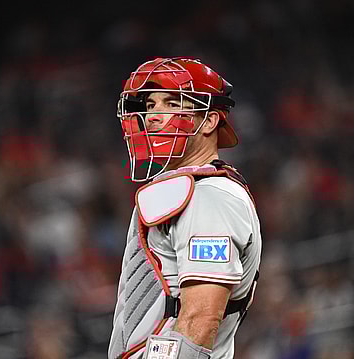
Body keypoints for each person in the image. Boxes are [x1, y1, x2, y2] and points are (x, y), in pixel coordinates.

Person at [109, 57, 262, 359]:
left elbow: (200, 319)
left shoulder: (211, 196)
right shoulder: (185, 190)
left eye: (171, 103)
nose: (153, 115)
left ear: (210, 120)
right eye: (150, 106)